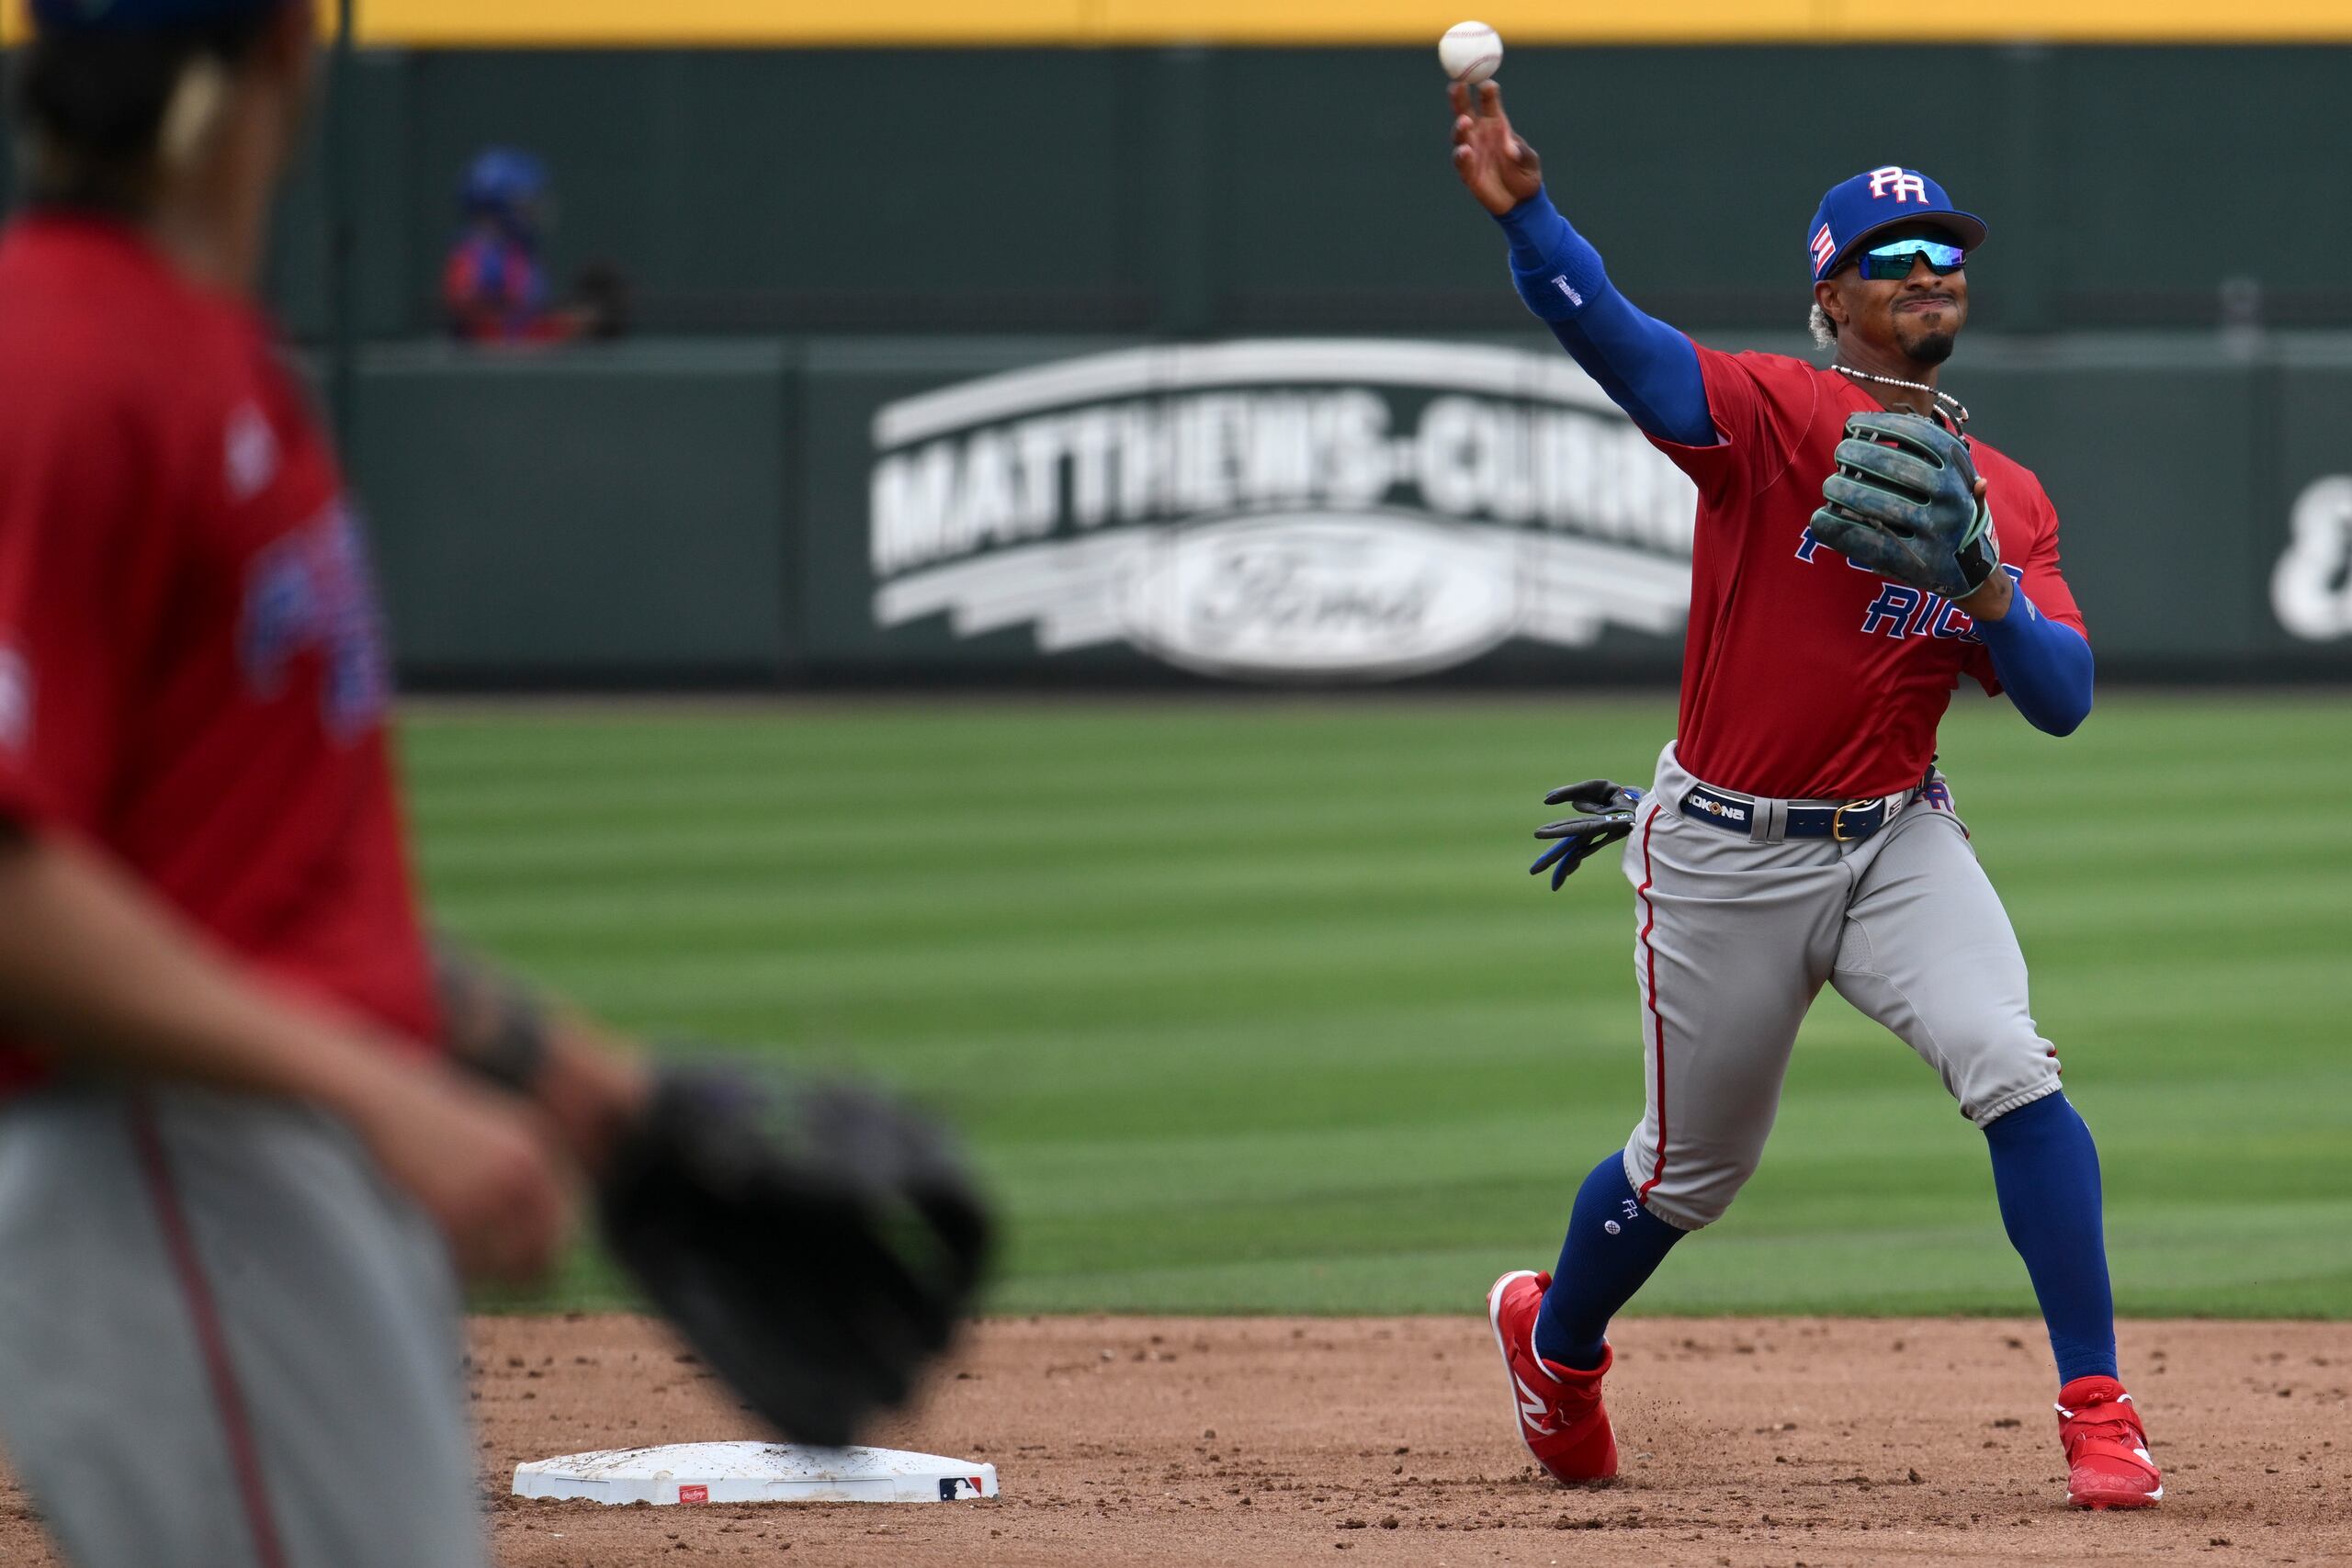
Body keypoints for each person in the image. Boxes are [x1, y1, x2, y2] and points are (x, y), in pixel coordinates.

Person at [0, 1, 978, 1563]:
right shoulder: (59, 361)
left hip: (264, 1170)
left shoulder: (208, 360)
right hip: (175, 1179)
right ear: (287, 58)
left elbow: (239, 877)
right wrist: (380, 1089)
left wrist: (568, 1072)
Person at [1448, 80, 2162, 1512]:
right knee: (1686, 1174)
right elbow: (1628, 354)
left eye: (1944, 256)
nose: (1926, 277)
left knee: (2010, 1062)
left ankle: (2099, 1404)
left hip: (1897, 835)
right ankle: (1558, 1342)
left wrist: (1984, 585)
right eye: (1891, 262)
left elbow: (2065, 695)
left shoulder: (2005, 494)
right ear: (1831, 298)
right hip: (1725, 849)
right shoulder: (1772, 416)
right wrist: (1532, 218)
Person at [442, 146, 623, 343]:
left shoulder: (514, 253)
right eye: (528, 203)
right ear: (499, 206)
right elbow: (495, 346)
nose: (536, 210)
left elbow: (524, 324)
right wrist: (568, 326)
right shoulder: (476, 260)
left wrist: (576, 319)